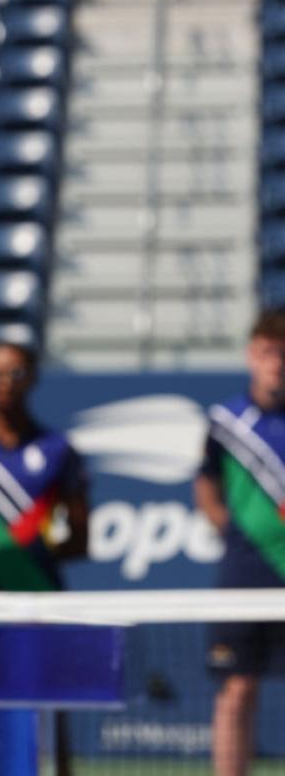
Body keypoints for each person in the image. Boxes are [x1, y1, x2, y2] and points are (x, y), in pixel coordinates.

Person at [0, 340, 90, 776]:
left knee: (53, 714)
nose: (6, 384)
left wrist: (38, 537)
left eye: (17, 373)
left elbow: (81, 539)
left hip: (44, 600)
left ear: (34, 377)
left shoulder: (59, 450)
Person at [196, 308, 285, 776]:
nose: (277, 363)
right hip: (244, 577)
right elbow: (205, 480)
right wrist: (224, 524)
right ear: (252, 355)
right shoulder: (226, 422)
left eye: (284, 354)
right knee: (237, 690)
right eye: (268, 352)